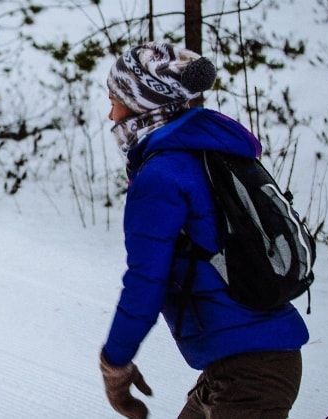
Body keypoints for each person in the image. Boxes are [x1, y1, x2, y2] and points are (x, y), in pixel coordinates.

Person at [98, 42, 309, 419]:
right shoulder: (206, 149)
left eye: (114, 100)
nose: (111, 114)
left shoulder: (160, 175)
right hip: (243, 366)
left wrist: (115, 364)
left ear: (140, 104)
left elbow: (146, 281)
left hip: (249, 375)